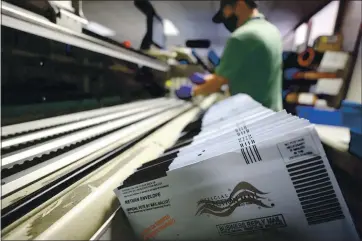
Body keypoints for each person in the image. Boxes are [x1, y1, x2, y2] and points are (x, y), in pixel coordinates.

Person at [176, 0, 283, 112]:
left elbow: (219, 82)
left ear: (240, 4)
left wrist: (193, 92)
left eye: (226, 15)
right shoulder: (272, 30)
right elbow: (251, 72)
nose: (226, 22)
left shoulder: (243, 36)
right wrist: (206, 79)